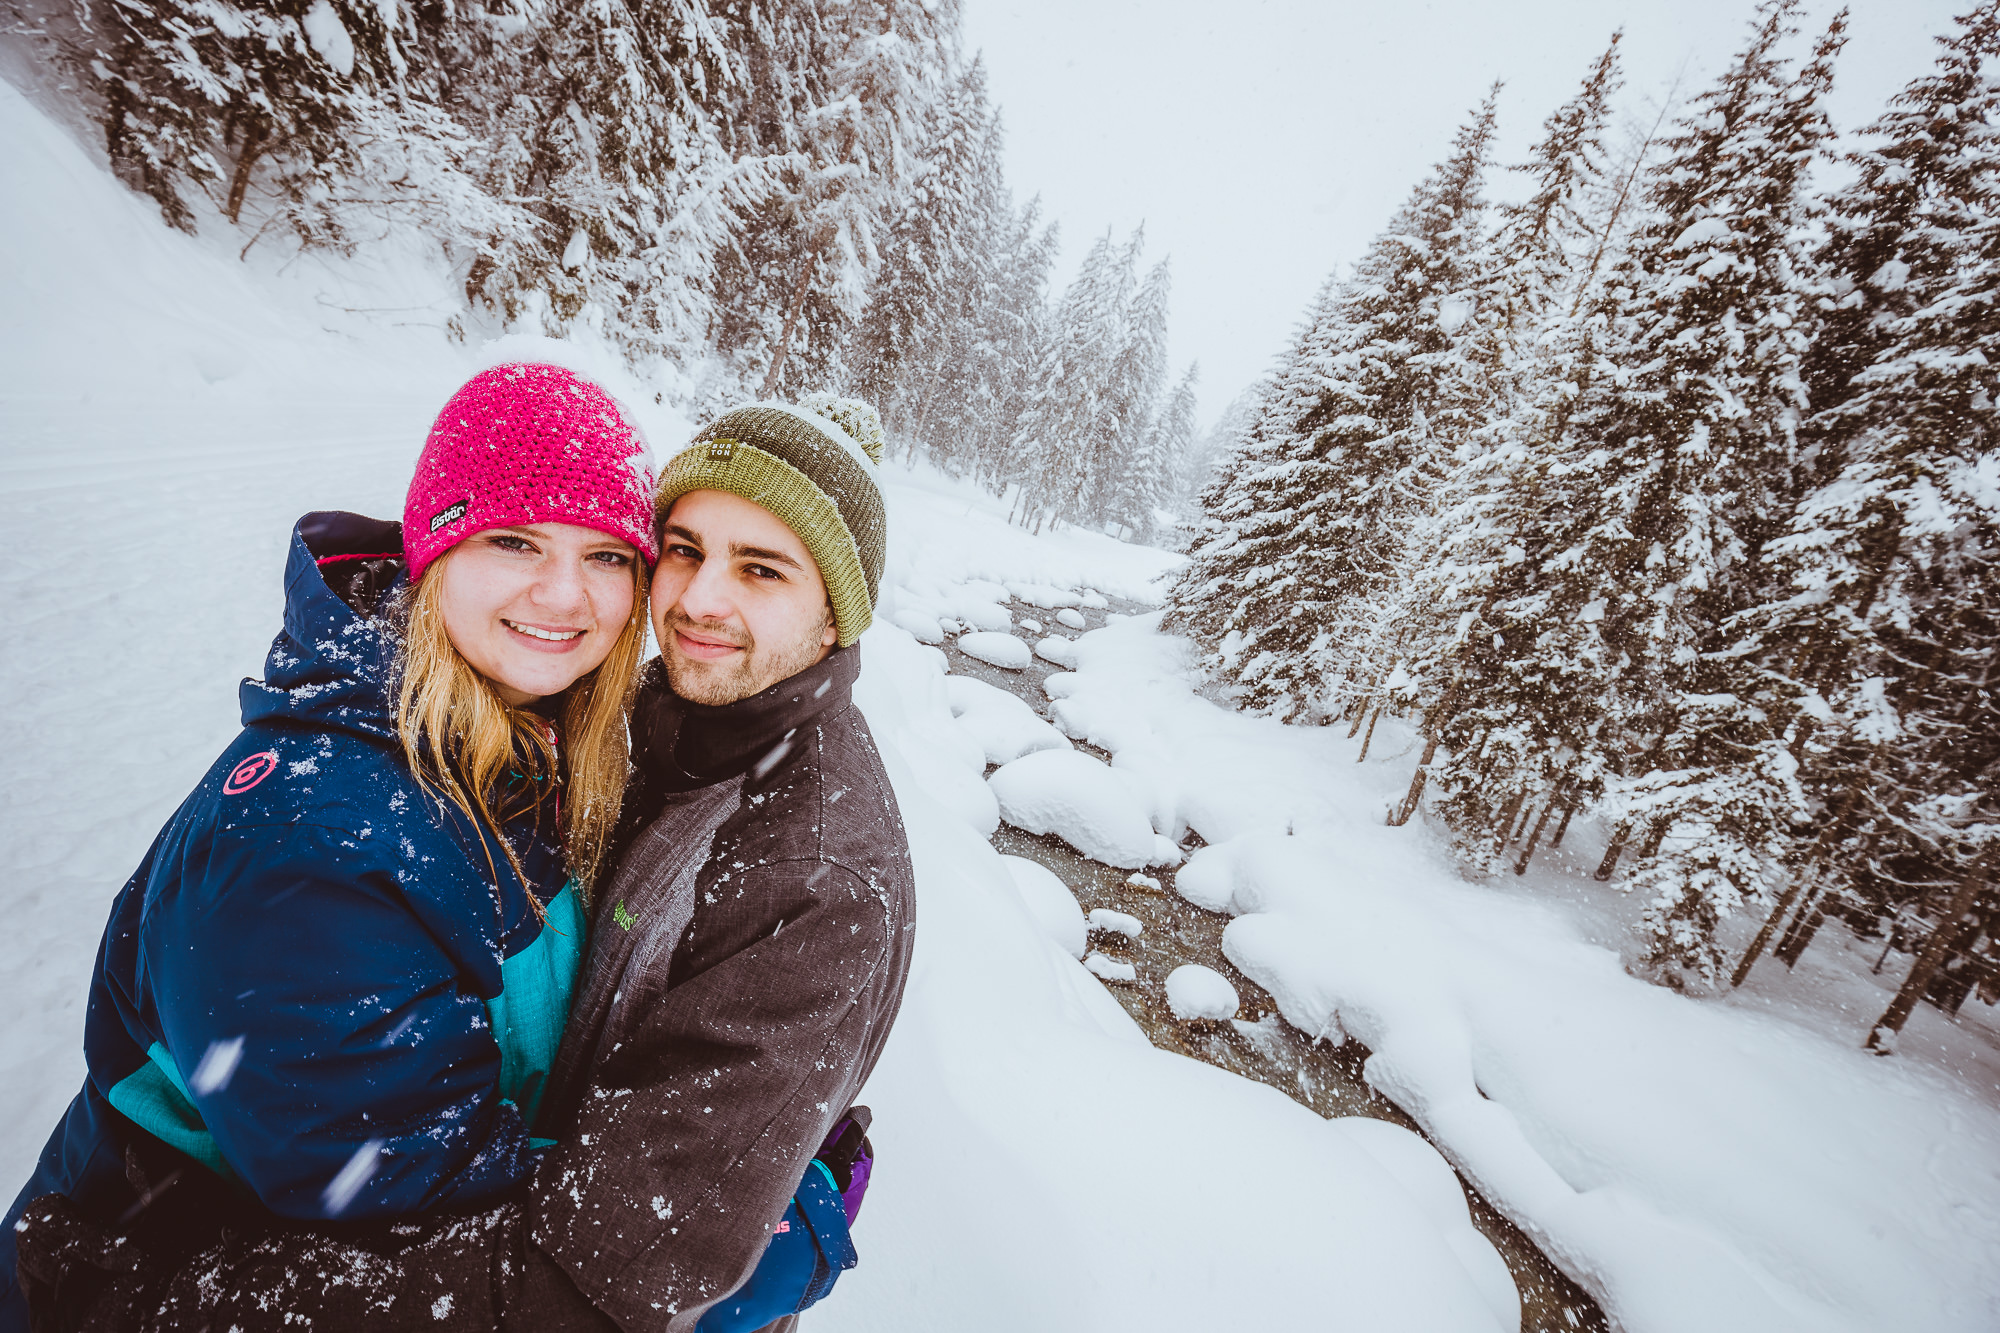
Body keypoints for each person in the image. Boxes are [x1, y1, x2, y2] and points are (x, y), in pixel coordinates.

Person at [0, 362, 659, 1331]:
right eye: (516, 539)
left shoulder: (521, 740)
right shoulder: (309, 847)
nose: (566, 595)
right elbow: (424, 1220)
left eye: (606, 554)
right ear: (436, 550)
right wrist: (698, 1225)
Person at [513, 396, 918, 1331]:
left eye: (761, 568)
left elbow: (609, 1265)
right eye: (686, 549)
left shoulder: (817, 879)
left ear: (832, 621)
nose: (698, 598)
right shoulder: (667, 723)